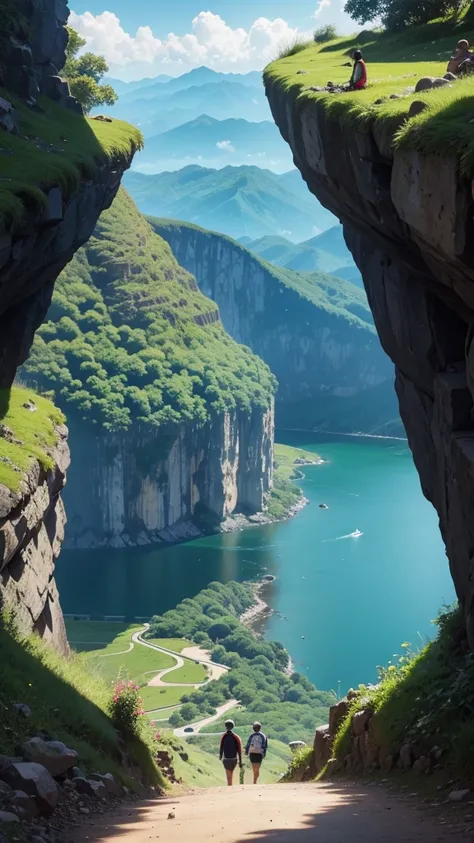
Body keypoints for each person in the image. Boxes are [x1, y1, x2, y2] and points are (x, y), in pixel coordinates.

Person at [219, 719, 243, 787]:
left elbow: (221, 747)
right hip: (233, 759)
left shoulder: (224, 736)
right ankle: (230, 786)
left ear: (225, 726)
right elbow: (239, 750)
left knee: (228, 775)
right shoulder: (236, 737)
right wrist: (240, 761)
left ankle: (229, 787)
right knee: (230, 774)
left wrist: (220, 756)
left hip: (227, 759)